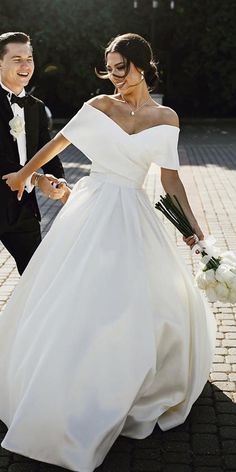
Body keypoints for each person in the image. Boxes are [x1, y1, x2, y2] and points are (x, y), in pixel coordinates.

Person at [0, 33, 216, 472]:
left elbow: (170, 180)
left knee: (139, 299)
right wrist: (25, 173)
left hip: (133, 211)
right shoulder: (99, 105)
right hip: (91, 206)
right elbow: (59, 142)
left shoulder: (166, 117)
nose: (113, 76)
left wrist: (193, 231)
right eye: (109, 68)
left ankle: (126, 380)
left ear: (142, 65)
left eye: (121, 67)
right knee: (74, 295)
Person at [0, 31, 67, 274]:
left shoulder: (36, 107)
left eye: (29, 58)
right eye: (17, 59)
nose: (25, 65)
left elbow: (48, 150)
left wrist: (58, 180)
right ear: (0, 62)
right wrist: (37, 179)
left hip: (22, 207)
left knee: (38, 277)